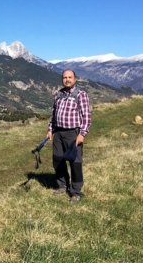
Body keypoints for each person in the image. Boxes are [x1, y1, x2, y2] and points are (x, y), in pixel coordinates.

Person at [47, 70, 92, 203]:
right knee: (58, 160)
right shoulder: (59, 94)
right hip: (59, 132)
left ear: (75, 79)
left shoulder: (81, 94)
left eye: (70, 77)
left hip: (73, 133)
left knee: (75, 163)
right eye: (65, 77)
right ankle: (62, 185)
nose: (67, 79)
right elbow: (54, 114)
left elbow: (87, 117)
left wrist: (82, 134)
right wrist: (50, 129)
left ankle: (75, 191)